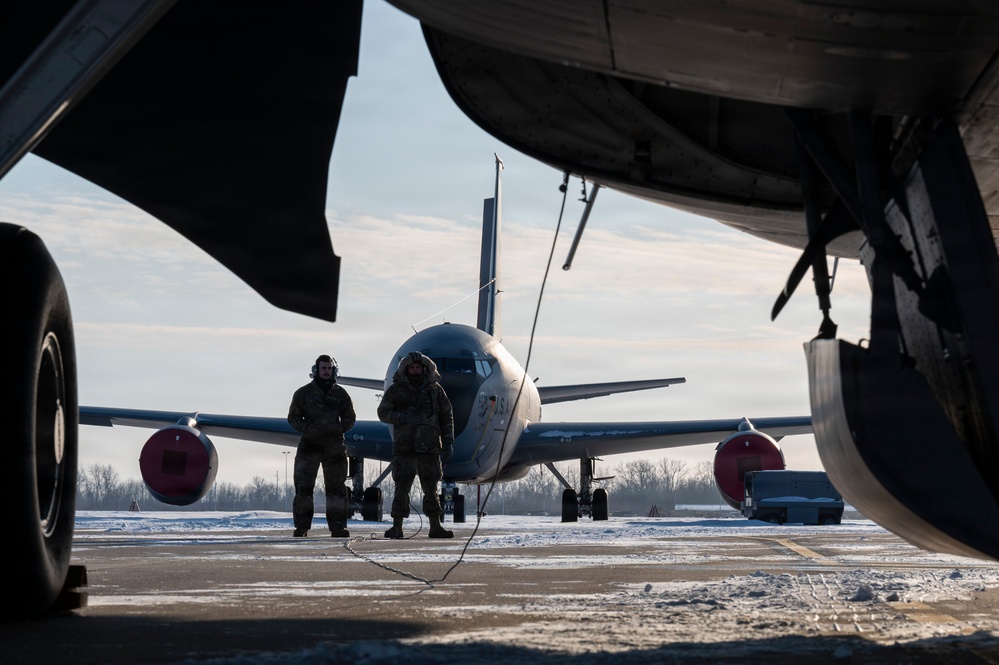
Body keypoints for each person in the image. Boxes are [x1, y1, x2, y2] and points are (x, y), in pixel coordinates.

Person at [377, 351, 455, 539]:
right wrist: (402, 418)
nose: (415, 370)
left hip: (429, 448)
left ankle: (435, 526)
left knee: (431, 488)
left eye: (418, 367)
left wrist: (448, 441)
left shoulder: (435, 390)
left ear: (424, 368)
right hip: (405, 448)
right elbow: (383, 412)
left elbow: (447, 415)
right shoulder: (395, 390)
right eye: (411, 367)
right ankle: (397, 526)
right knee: (401, 489)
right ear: (406, 369)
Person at [287, 354, 356, 538]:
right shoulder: (303, 393)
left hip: (334, 447)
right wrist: (308, 429)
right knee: (303, 488)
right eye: (323, 368)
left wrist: (338, 428)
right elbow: (293, 418)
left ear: (334, 370)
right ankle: (301, 527)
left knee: (336, 489)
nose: (326, 371)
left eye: (329, 368)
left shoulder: (340, 394)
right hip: (309, 446)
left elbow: (350, 418)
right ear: (316, 370)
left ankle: (338, 527)